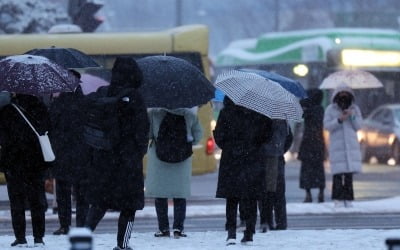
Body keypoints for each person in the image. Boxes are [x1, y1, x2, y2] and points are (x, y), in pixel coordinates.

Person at [83, 57, 150, 250]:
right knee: (129, 206)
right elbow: (141, 129)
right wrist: (138, 152)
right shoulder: (134, 97)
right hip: (127, 162)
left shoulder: (103, 94)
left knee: (98, 204)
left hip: (103, 160)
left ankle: (83, 237)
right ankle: (122, 245)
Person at [214, 96, 272, 245]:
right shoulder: (259, 113)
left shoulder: (226, 112)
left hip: (231, 159)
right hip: (253, 159)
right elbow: (267, 135)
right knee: (251, 197)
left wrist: (230, 146)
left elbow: (219, 136)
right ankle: (249, 233)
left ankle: (231, 232)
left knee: (232, 197)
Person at [0, 92, 50, 247]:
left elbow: (2, 137)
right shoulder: (40, 108)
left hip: (14, 163)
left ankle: (20, 237)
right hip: (36, 162)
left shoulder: (7, 111)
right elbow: (48, 130)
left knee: (17, 202)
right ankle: (38, 238)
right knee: (37, 201)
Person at [145, 106, 203, 238]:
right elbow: (198, 135)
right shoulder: (190, 115)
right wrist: (185, 143)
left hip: (159, 157)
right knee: (179, 195)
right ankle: (178, 228)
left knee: (160, 195)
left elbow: (147, 134)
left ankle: (163, 228)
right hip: (182, 158)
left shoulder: (154, 113)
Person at [49, 71, 90, 235]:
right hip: (83, 154)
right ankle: (82, 224)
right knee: (81, 193)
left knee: (63, 192)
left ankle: (65, 225)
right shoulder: (85, 102)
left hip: (63, 153)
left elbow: (51, 128)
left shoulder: (58, 103)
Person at [323, 83, 363, 208]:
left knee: (349, 175)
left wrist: (351, 117)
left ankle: (348, 198)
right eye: (341, 94)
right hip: (337, 146)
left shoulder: (355, 109)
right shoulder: (330, 109)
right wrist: (339, 120)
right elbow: (327, 126)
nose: (344, 97)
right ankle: (338, 198)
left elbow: (359, 126)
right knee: (338, 174)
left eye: (347, 94)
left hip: (350, 146)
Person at [258, 121, 293, 232]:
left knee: (265, 192)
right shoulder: (283, 120)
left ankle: (267, 221)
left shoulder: (261, 119)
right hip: (278, 157)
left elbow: (256, 139)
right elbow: (289, 138)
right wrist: (281, 150)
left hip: (263, 158)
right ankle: (281, 221)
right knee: (279, 192)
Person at [298, 88, 326, 203]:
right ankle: (321, 192)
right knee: (319, 169)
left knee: (307, 170)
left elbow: (301, 113)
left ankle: (308, 194)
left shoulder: (309, 110)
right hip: (318, 142)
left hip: (308, 142)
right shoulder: (320, 109)